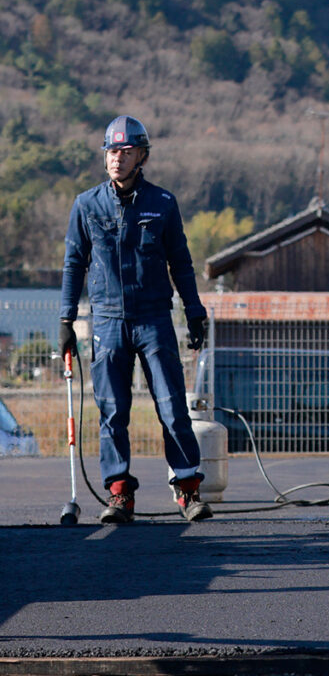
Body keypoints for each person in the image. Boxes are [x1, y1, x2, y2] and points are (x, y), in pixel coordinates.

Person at [59, 115, 212, 524]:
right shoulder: (86, 205)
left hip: (154, 320)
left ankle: (188, 488)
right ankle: (119, 494)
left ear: (141, 156)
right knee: (112, 412)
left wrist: (194, 310)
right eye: (112, 151)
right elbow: (74, 264)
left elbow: (180, 262)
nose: (117, 159)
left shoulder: (162, 204)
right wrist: (65, 320)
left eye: (126, 152)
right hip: (107, 322)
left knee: (172, 406)